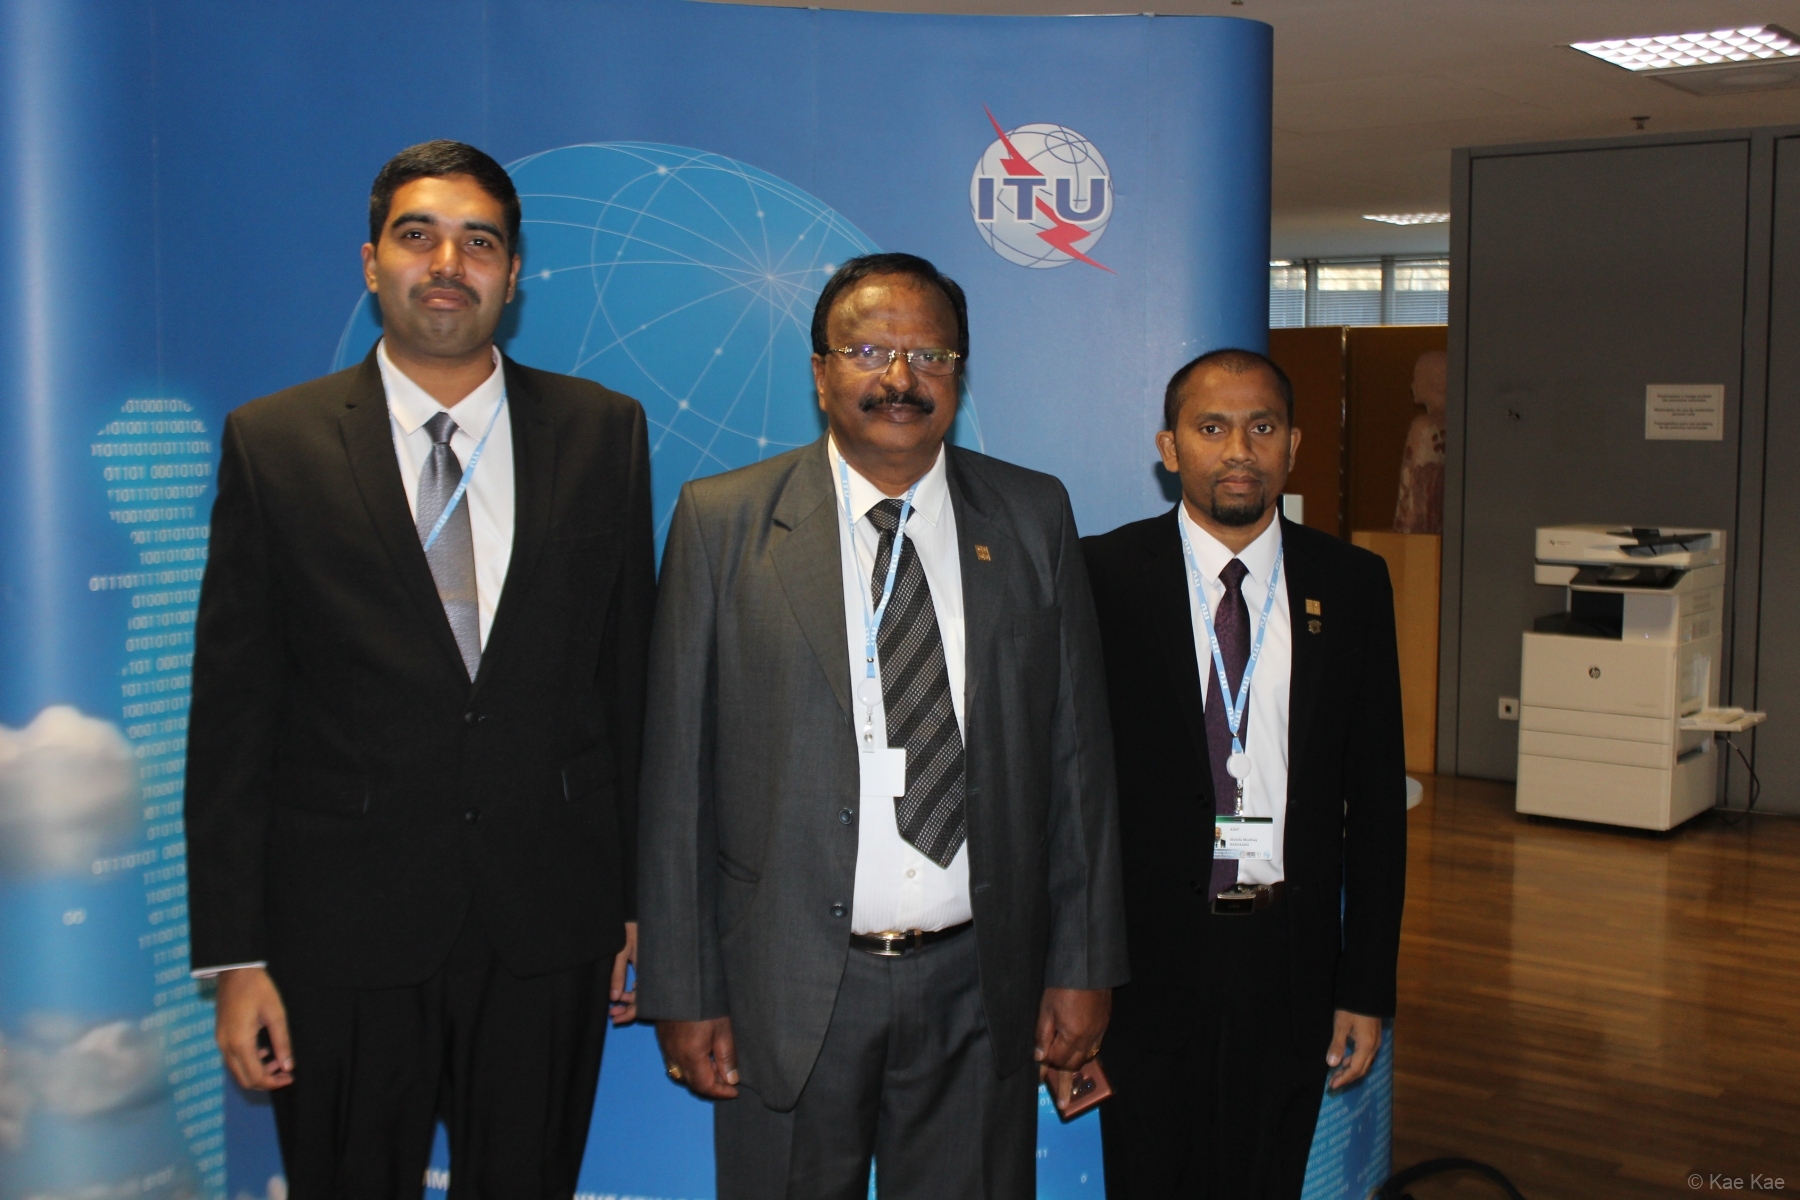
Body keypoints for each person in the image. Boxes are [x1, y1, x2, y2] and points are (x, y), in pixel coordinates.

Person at [184, 140, 654, 1194]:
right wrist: (236, 956)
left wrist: (637, 902)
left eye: (479, 242)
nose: (448, 263)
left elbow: (628, 685)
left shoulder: (603, 433)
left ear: (514, 274)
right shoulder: (275, 443)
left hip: (548, 922)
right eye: (418, 235)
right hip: (338, 931)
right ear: (371, 263)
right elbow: (233, 721)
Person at [637, 252, 1126, 1200]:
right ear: (820, 372)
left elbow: (1078, 763)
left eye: (930, 355)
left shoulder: (1032, 516)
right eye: (868, 351)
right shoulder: (722, 523)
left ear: (959, 375)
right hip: (787, 988)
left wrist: (1084, 964)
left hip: (979, 984)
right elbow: (677, 781)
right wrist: (684, 989)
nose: (900, 377)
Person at [1082, 348, 1406, 1199]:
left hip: (1290, 960)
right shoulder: (1101, 576)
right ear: (1169, 447)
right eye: (1211, 427)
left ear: (1293, 445)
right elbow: (1068, 795)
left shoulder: (1353, 582)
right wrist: (1070, 972)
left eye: (1262, 427)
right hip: (1142, 964)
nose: (1238, 450)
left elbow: (1377, 803)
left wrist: (1366, 986)